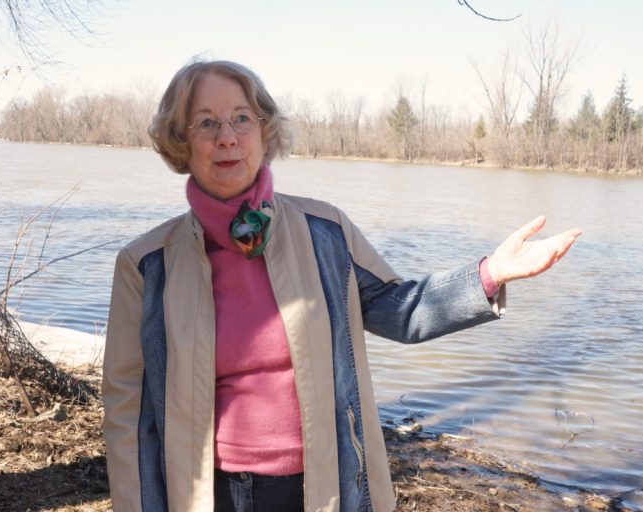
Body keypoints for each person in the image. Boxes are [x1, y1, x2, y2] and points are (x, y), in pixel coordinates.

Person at [102, 58, 581, 512]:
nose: (227, 137)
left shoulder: (324, 231)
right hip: (209, 493)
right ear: (180, 142)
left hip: (325, 484)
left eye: (241, 118)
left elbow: (402, 309)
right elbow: (128, 414)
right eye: (205, 122)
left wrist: (490, 274)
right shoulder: (147, 265)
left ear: (264, 130)